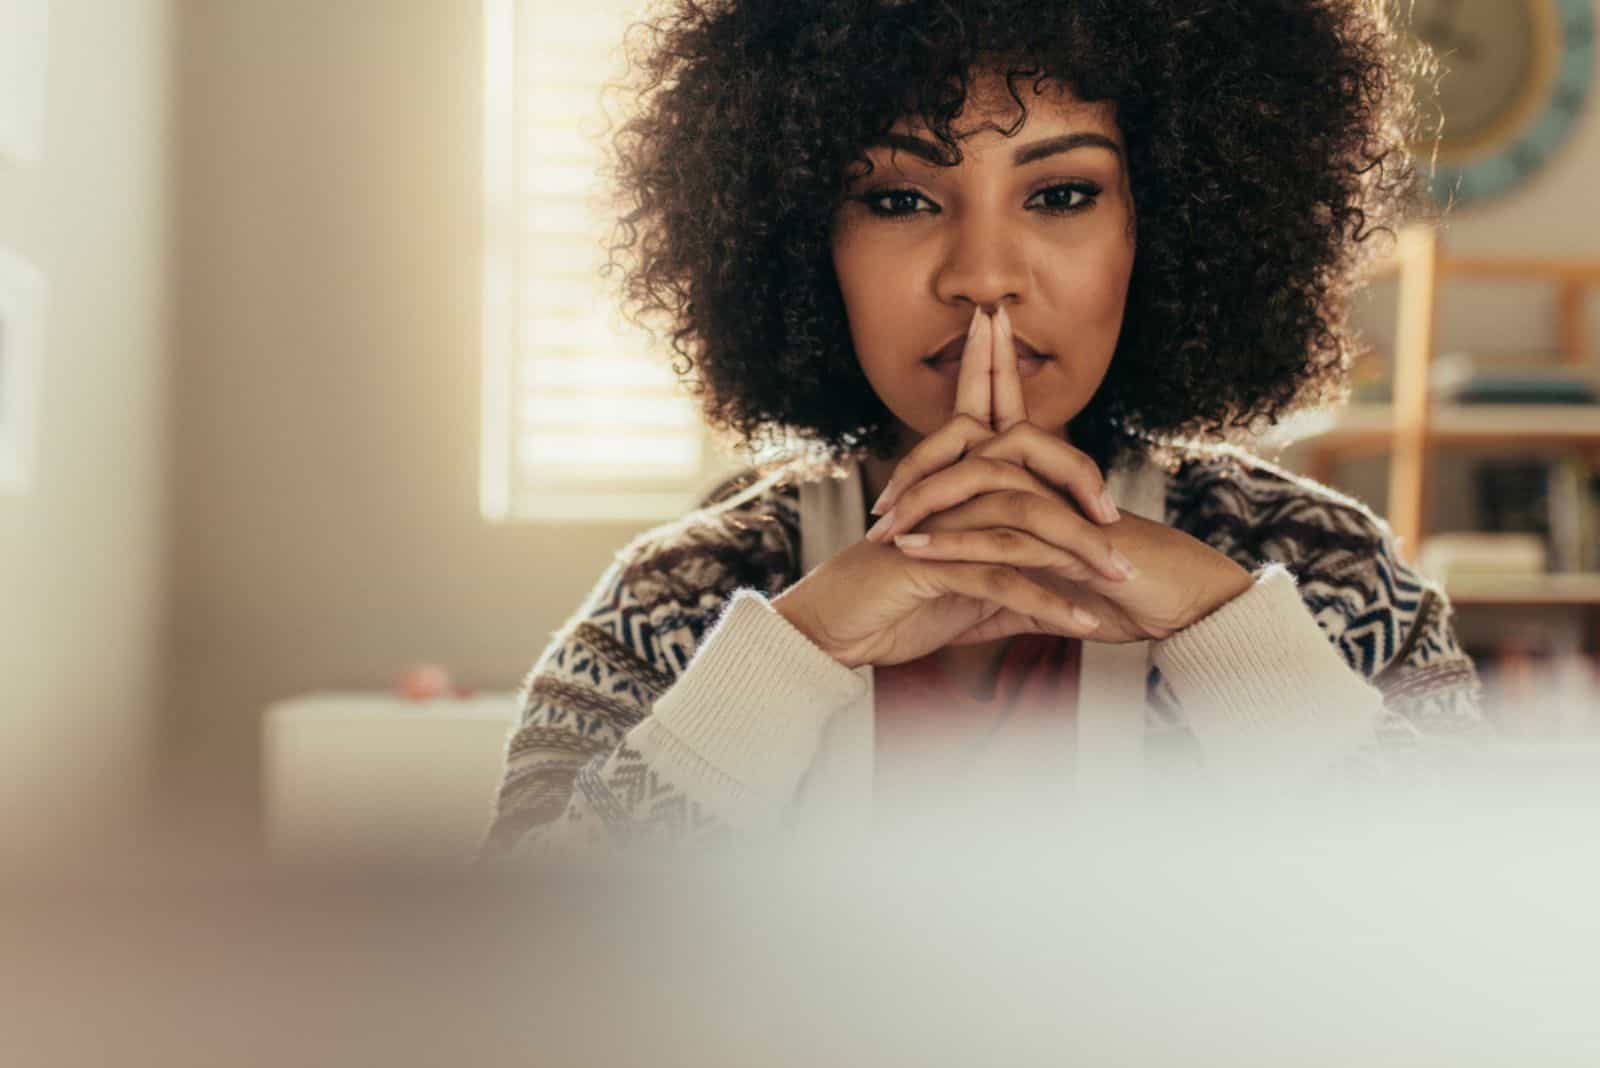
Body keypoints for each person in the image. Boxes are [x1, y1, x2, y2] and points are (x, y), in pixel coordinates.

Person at [479, 0, 1492, 860]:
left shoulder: (1324, 574)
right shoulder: (685, 597)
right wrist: (800, 649)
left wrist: (1221, 628)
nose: (982, 273)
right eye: (898, 198)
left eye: (1061, 195)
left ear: (1166, 226)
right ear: (799, 239)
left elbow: (1487, 954)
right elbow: (514, 983)